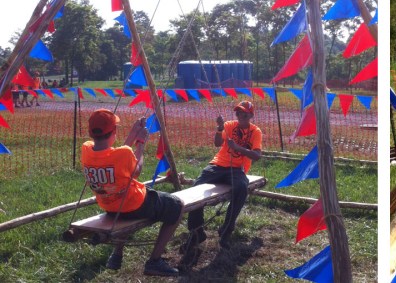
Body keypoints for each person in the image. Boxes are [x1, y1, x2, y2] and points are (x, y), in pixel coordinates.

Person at [80, 109, 182, 277]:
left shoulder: (87, 149)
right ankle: (154, 261)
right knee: (177, 206)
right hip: (134, 205)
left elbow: (116, 155)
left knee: (124, 212)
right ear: (114, 132)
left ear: (91, 132)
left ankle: (117, 253)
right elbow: (136, 169)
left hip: (109, 205)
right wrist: (141, 143)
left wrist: (134, 132)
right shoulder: (124, 154)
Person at [184, 101, 262, 251]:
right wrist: (220, 128)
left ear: (251, 115)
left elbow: (257, 155)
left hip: (237, 169)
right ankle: (196, 232)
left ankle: (226, 230)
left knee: (241, 188)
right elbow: (217, 143)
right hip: (217, 166)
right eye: (238, 113)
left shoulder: (255, 131)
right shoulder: (229, 125)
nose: (241, 116)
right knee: (195, 189)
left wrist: (238, 148)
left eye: (244, 114)